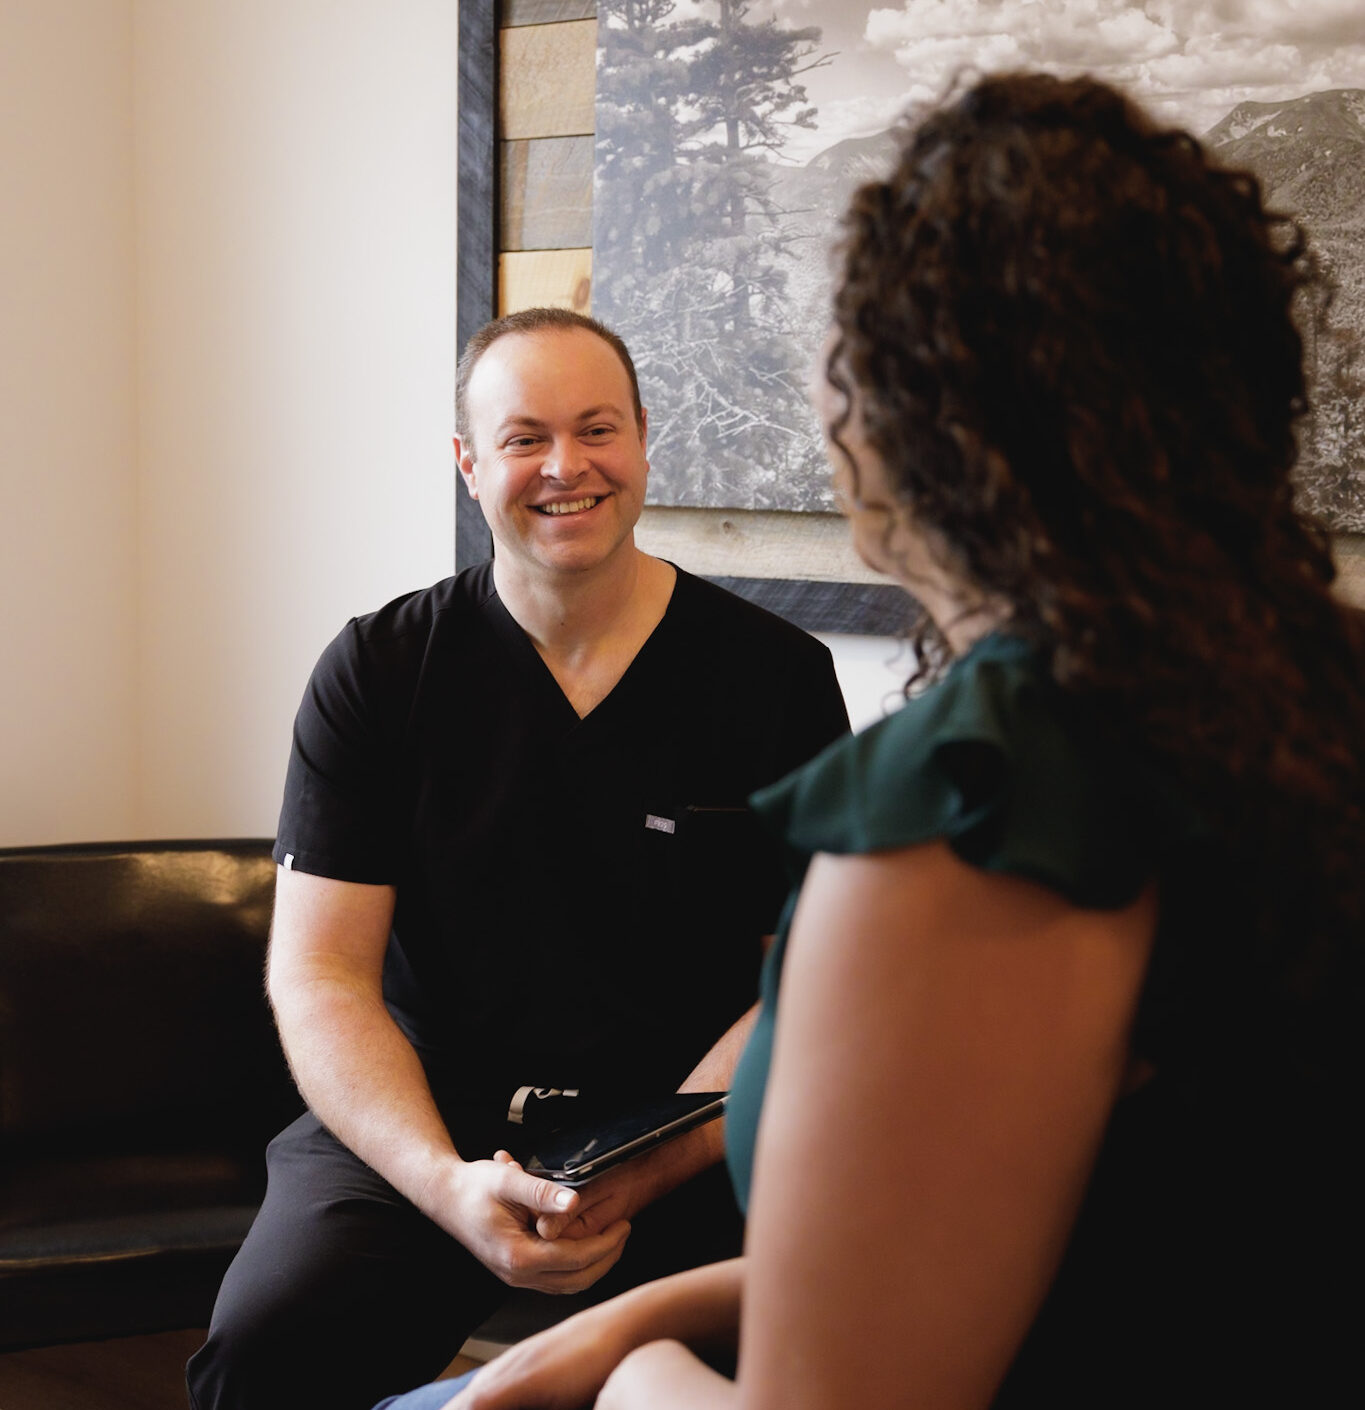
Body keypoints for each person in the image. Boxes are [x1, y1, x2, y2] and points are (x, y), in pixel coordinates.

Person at [368, 71, 1365, 1410]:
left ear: (900, 423)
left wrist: (628, 1376)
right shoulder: (1303, 682)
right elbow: (1103, 1245)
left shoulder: (976, 809)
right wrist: (622, 1322)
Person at [185, 308, 850, 1410]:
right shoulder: (379, 671)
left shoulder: (776, 680)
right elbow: (322, 977)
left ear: (643, 441)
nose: (566, 467)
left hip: (688, 1132)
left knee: (782, 1365)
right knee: (268, 1351)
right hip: (426, 1127)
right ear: (469, 464)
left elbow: (807, 981)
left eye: (597, 429)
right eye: (525, 437)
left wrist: (643, 1165)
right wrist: (445, 1186)